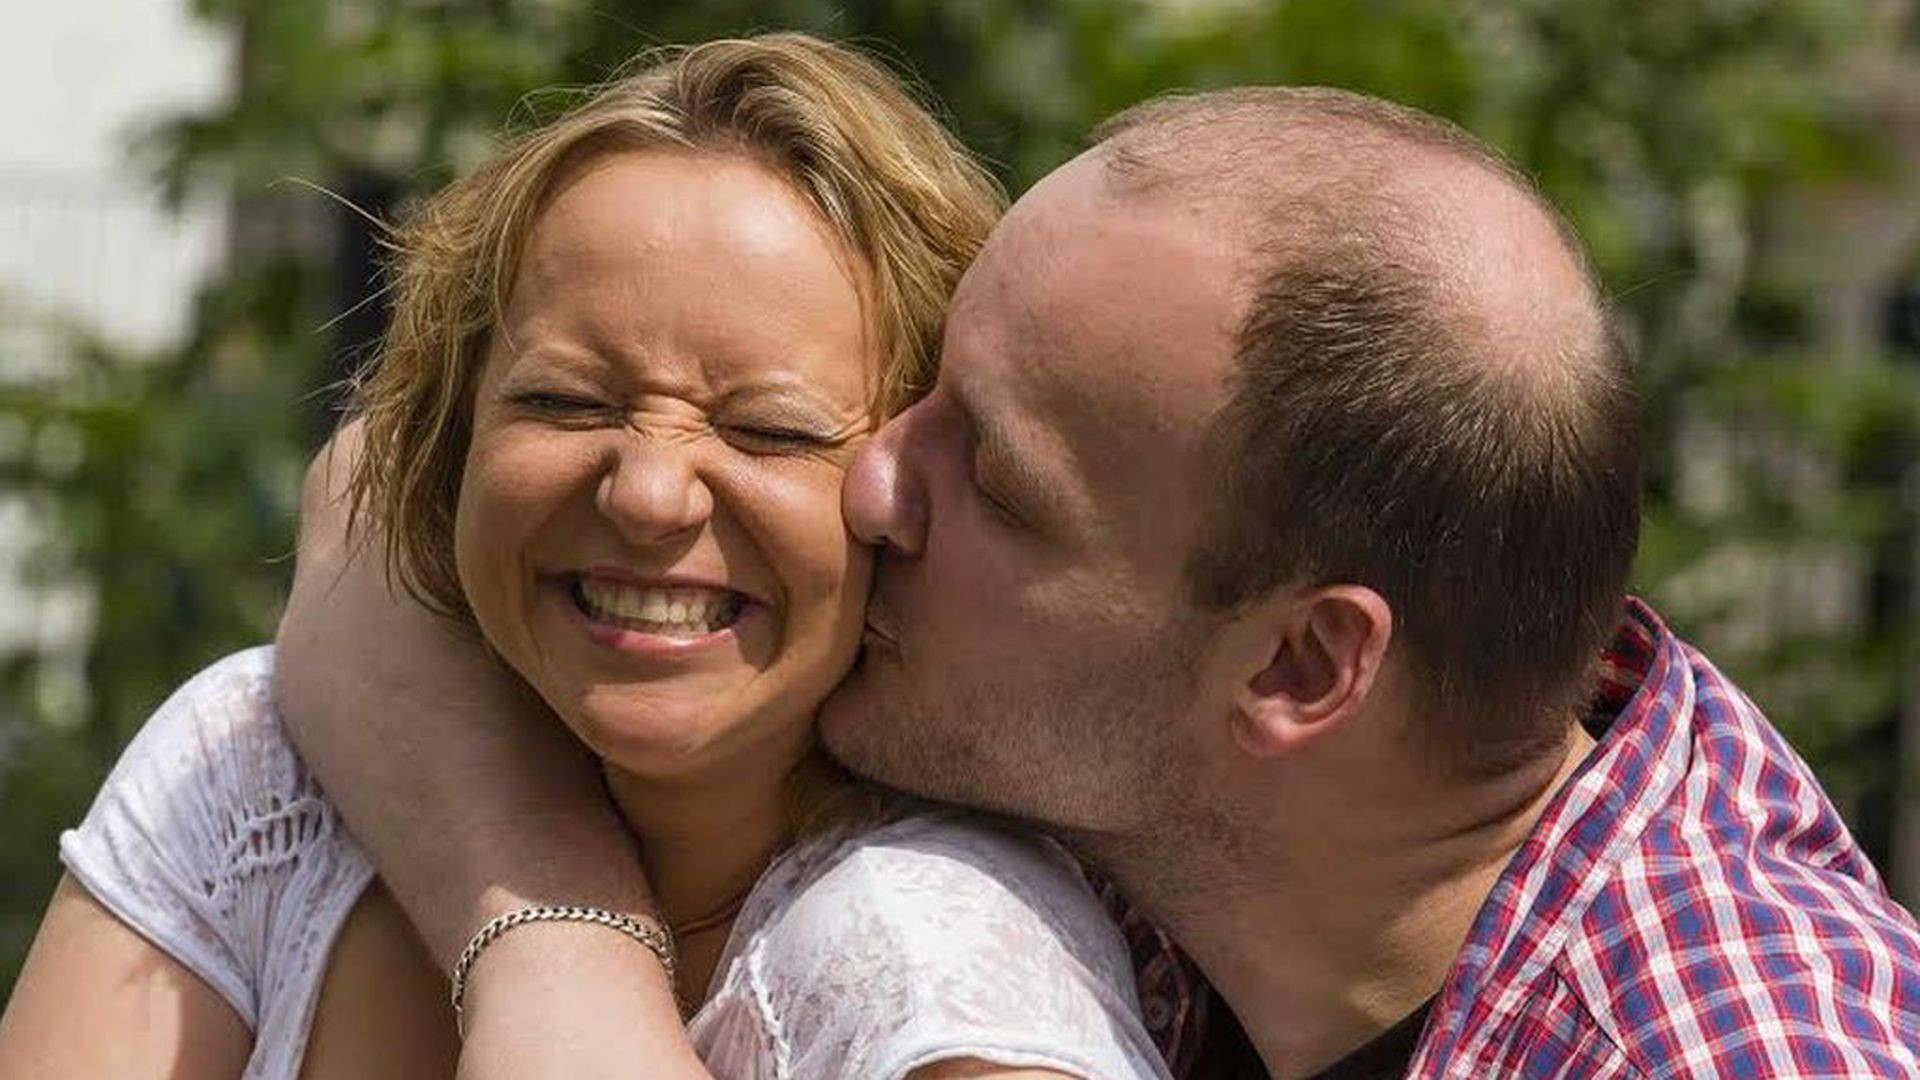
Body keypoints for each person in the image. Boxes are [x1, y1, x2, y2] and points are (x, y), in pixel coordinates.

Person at [255, 83, 1920, 1078]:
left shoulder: (1730, 1047)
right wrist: (562, 939)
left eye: (993, 469)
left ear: (1296, 672)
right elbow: (367, 514)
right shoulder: (1197, 816)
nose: (876, 481)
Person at [0, 35, 1181, 1080]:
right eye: (566, 401)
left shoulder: (934, 957)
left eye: (767, 428)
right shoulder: (257, 766)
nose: (651, 492)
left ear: (906, 494)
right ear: (451, 434)